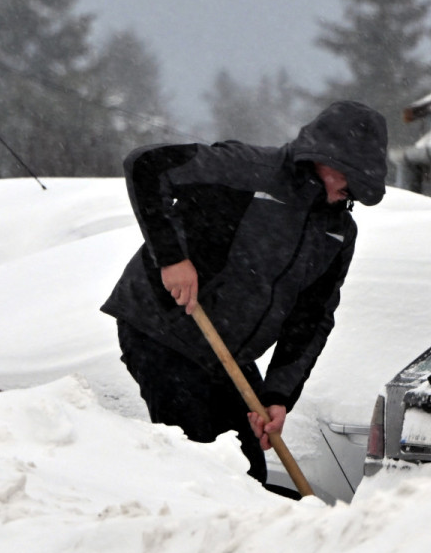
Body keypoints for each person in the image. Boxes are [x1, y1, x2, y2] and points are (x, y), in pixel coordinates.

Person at [101, 100, 388, 493]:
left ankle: (242, 545)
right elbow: (147, 165)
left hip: (228, 353)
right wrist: (172, 258)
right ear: (327, 157)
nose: (349, 194)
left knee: (248, 465)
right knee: (202, 458)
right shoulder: (249, 169)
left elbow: (311, 318)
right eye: (350, 180)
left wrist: (278, 395)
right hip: (165, 327)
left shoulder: (337, 232)